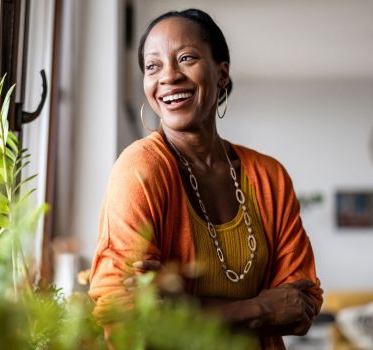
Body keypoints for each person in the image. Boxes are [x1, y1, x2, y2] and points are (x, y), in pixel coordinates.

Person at [89, 8, 323, 349]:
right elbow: (124, 317)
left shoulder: (269, 176)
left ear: (222, 73)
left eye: (186, 58)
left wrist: (181, 309)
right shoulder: (140, 168)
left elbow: (301, 306)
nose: (169, 76)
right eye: (153, 66)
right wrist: (259, 308)